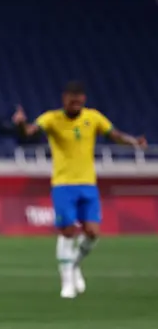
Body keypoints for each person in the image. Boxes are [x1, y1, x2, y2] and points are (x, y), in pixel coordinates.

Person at [13, 81, 147, 298]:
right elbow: (29, 132)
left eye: (79, 99)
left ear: (83, 100)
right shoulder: (51, 118)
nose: (75, 103)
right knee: (67, 232)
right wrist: (20, 124)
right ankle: (66, 280)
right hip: (63, 184)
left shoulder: (93, 117)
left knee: (93, 233)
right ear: (64, 99)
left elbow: (115, 135)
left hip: (88, 184)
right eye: (71, 99)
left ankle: (74, 264)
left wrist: (134, 142)